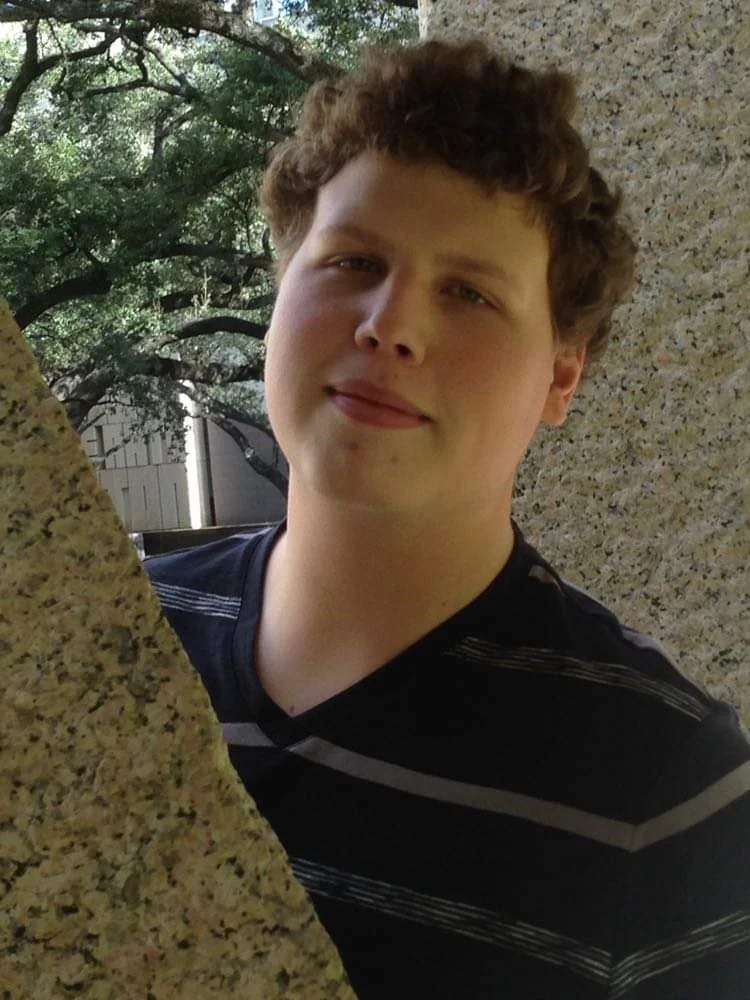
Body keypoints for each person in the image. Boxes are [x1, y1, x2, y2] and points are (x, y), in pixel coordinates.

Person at [145, 38, 750, 999]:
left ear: (561, 373)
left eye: (468, 291)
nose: (391, 325)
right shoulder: (116, 641)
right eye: (351, 260)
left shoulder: (671, 791)